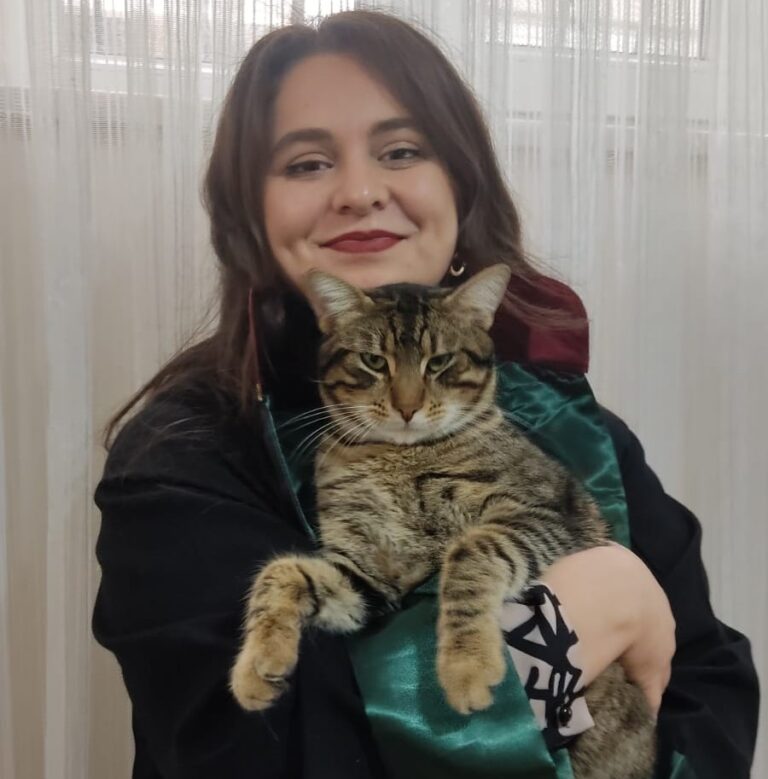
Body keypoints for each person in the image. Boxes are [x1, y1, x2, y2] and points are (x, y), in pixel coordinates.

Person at [92, 10, 759, 779]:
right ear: (251, 214)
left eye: (401, 150)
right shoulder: (181, 457)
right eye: (307, 163)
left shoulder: (572, 422)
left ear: (460, 186)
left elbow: (712, 679)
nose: (359, 191)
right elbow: (258, 751)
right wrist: (549, 638)